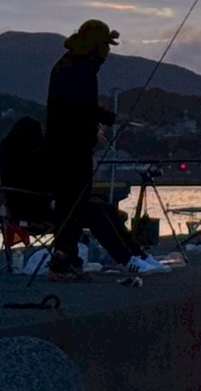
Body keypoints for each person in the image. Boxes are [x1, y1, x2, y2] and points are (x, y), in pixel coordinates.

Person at [45, 19, 143, 278]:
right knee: (73, 206)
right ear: (95, 45)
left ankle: (67, 261)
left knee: (70, 205)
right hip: (72, 148)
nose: (108, 52)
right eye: (106, 46)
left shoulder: (68, 64)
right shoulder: (80, 69)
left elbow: (79, 107)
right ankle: (62, 263)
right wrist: (111, 118)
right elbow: (81, 108)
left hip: (63, 146)